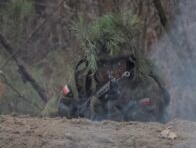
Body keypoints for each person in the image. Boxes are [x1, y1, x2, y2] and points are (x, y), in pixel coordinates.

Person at [41, 11, 169, 122]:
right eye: (106, 64)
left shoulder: (143, 84)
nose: (113, 70)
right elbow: (49, 113)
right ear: (96, 65)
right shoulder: (83, 79)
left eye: (119, 63)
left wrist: (119, 108)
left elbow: (154, 121)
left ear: (129, 62)